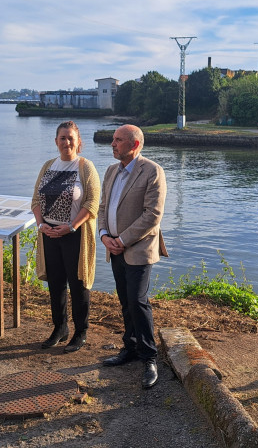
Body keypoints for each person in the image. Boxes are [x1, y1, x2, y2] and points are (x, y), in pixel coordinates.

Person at [98, 124, 168, 389]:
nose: (112, 144)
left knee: (138, 302)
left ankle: (149, 357)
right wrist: (104, 234)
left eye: (118, 140)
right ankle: (130, 347)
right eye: (113, 140)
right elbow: (103, 206)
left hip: (138, 248)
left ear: (134, 144)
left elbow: (152, 215)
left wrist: (122, 240)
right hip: (113, 246)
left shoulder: (152, 171)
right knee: (125, 301)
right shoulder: (110, 171)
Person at [32, 121, 100, 353]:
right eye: (62, 138)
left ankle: (81, 331)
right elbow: (35, 201)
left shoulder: (85, 167)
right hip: (49, 233)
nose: (66, 142)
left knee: (78, 283)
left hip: (75, 234)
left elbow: (92, 203)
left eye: (71, 138)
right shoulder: (48, 166)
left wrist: (71, 226)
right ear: (56, 141)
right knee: (56, 284)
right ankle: (60, 328)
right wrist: (41, 225)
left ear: (78, 142)